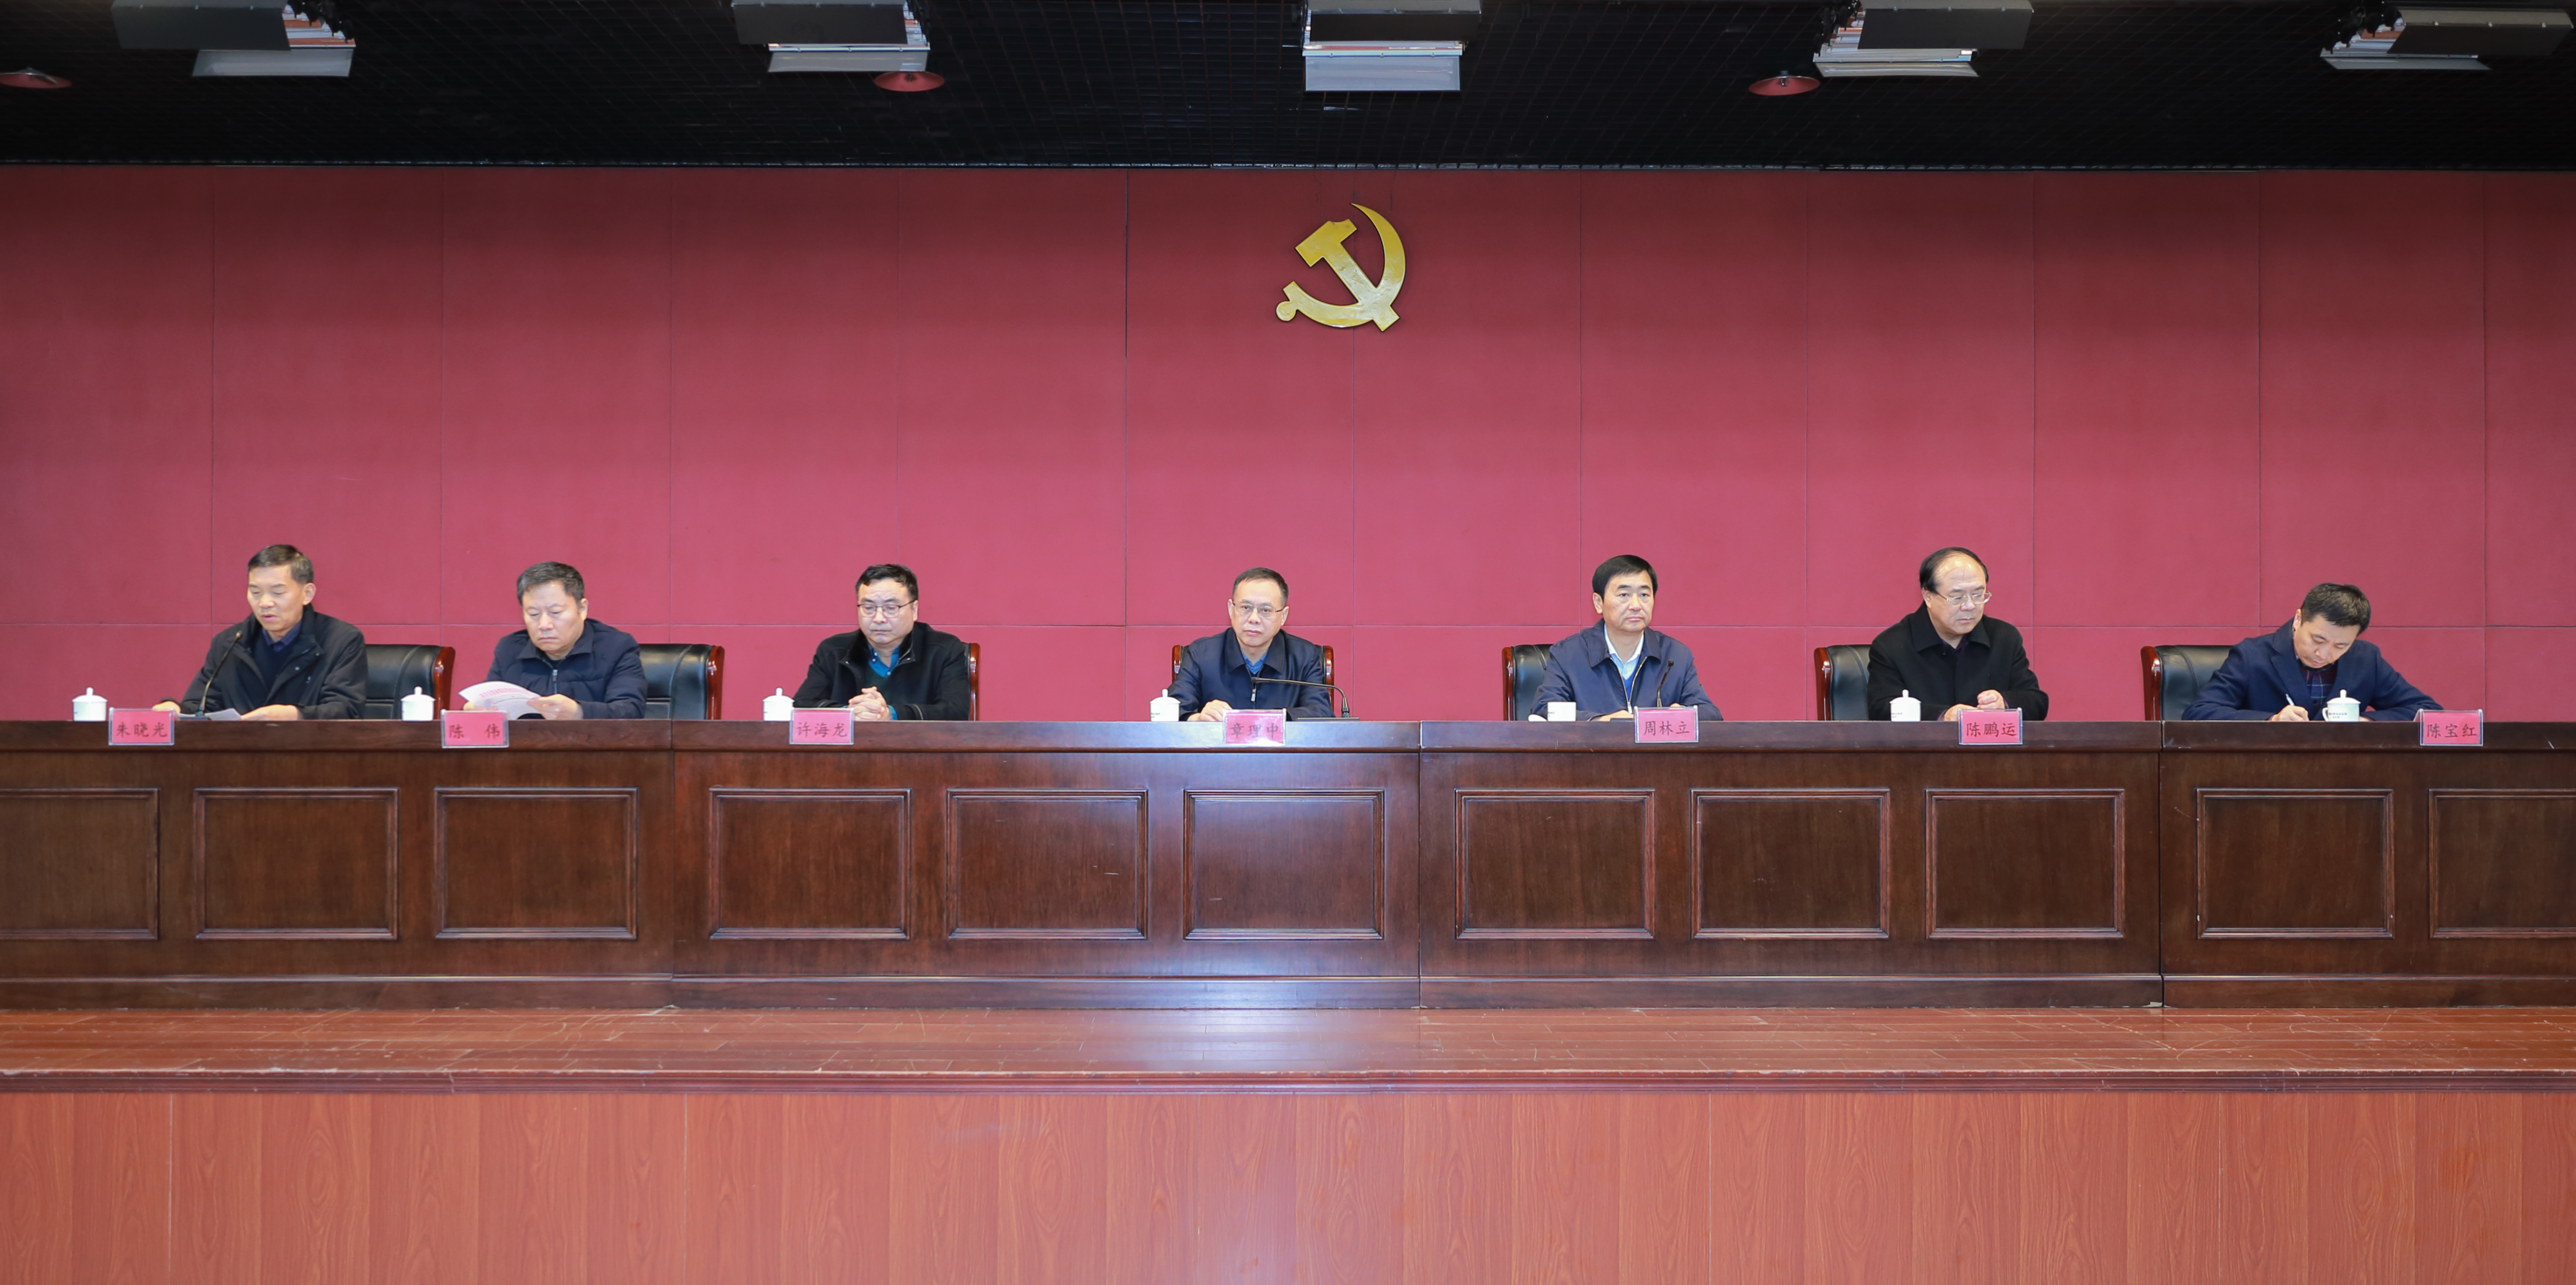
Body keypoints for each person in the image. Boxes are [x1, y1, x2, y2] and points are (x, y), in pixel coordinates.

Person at [155, 544, 367, 720]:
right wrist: (176, 709)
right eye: (255, 592)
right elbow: (202, 706)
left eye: (278, 592)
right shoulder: (229, 643)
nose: (265, 603)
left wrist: (294, 715)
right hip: (240, 754)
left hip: (310, 753)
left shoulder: (341, 640)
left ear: (307, 594)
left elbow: (346, 710)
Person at [2184, 583, 2438, 721]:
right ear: (2299, 619)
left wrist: (2367, 723)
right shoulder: (2252, 656)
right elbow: (2199, 713)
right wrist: (2271, 720)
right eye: (2318, 639)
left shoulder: (2365, 659)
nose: (2324, 654)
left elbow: (2427, 711)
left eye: (2341, 646)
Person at [1865, 546, 2049, 722]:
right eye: (1957, 597)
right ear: (1928, 597)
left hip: (1988, 745)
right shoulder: (1892, 645)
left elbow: (2036, 702)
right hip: (1925, 745)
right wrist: (1943, 717)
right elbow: (1881, 710)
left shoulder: (2004, 638)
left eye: (1978, 595)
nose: (1970, 606)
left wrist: (2004, 704)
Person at [1531, 554, 1722, 722]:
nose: (1636, 605)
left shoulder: (1675, 655)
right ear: (1599, 603)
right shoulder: (1569, 655)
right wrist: (1599, 721)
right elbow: (1545, 710)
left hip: (1655, 753)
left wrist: (1684, 715)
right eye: (1624, 595)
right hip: (1593, 752)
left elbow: (1711, 714)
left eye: (1644, 595)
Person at [791, 563, 973, 720]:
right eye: (868, 607)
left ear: (914, 610)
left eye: (891, 608)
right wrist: (849, 713)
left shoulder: (945, 650)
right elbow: (802, 705)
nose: (879, 618)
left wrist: (890, 714)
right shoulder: (834, 651)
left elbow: (956, 712)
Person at [474, 561, 645, 719]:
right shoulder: (510, 650)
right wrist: (474, 711)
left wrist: (579, 712)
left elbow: (630, 711)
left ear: (582, 609)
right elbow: (485, 702)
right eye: (534, 614)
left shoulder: (616, 647)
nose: (544, 625)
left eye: (555, 613)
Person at [1171, 567, 1333, 720]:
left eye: (1266, 610)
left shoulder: (1304, 657)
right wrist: (1197, 719)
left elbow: (1322, 713)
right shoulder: (1202, 654)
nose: (1254, 619)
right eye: (1246, 608)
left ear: (1283, 616)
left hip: (1283, 743)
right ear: (1231, 609)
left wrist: (1273, 718)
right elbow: (1173, 711)